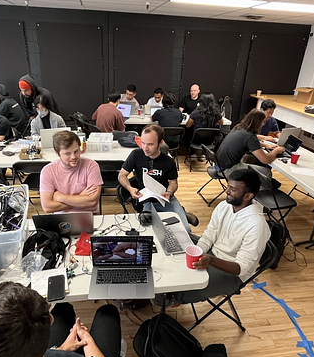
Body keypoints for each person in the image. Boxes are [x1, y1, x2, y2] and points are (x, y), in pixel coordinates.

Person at [176, 168, 269, 304]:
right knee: (176, 239)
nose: (227, 191)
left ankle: (172, 298)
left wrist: (211, 261)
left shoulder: (257, 226)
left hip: (232, 274)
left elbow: (241, 268)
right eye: (228, 186)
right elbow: (209, 235)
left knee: (181, 289)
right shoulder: (224, 206)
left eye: (233, 189)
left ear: (248, 196)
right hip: (212, 254)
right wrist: (198, 252)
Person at [118, 124, 192, 233]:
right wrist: (130, 188)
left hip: (165, 199)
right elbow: (121, 175)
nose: (145, 148)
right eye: (143, 143)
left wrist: (169, 192)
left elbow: (173, 183)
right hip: (147, 200)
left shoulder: (168, 162)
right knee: (148, 230)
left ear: (160, 143)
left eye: (150, 144)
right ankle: (181, 212)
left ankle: (181, 212)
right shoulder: (136, 155)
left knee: (185, 230)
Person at [40, 131, 103, 213]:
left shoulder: (91, 166)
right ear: (57, 153)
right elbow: (47, 207)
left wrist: (60, 197)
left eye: (76, 151)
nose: (73, 157)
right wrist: (81, 197)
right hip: (61, 217)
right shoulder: (47, 171)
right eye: (67, 153)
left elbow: (92, 202)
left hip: (88, 215)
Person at [215, 109, 285, 177]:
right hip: (228, 170)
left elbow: (247, 142)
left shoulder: (238, 128)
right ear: (258, 123)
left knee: (253, 159)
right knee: (267, 172)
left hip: (219, 166)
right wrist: (276, 151)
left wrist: (266, 145)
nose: (264, 124)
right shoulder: (250, 137)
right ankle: (255, 184)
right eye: (264, 122)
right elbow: (266, 160)